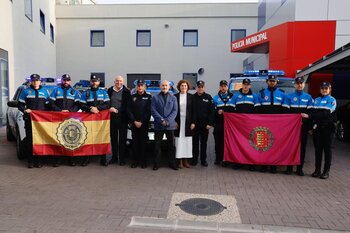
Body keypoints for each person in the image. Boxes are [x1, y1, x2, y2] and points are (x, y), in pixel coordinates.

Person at [302, 82, 336, 179]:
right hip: (317, 129)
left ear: (330, 89)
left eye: (326, 88)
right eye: (322, 88)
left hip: (328, 129)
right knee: (318, 150)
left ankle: (326, 172)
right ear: (320, 89)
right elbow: (313, 113)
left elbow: (325, 114)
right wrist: (311, 126)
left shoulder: (332, 100)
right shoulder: (315, 100)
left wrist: (310, 116)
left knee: (327, 151)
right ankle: (317, 170)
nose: (324, 90)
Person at [256, 74, 287, 173]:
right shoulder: (261, 94)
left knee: (275, 145)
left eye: (274, 81)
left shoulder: (283, 94)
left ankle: (274, 165)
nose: (272, 82)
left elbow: (285, 110)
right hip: (264, 125)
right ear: (267, 82)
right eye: (270, 81)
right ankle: (264, 165)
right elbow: (257, 109)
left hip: (277, 125)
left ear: (276, 82)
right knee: (264, 144)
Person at [18, 74, 50, 168]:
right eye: (33, 80)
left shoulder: (45, 92)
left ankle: (39, 161)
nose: (35, 82)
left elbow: (48, 106)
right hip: (29, 120)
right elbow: (20, 105)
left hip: (41, 122)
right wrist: (24, 110)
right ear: (31, 81)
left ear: (40, 81)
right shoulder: (25, 91)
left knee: (40, 140)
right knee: (30, 140)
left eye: (37, 80)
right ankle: (30, 161)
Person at [49, 74, 81, 167]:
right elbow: (51, 103)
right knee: (58, 138)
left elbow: (78, 104)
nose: (66, 82)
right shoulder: (56, 90)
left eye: (67, 80)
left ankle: (71, 159)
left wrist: (70, 111)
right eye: (64, 80)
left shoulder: (74, 91)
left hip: (70, 119)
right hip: (58, 118)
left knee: (70, 139)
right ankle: (58, 159)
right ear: (62, 81)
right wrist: (60, 111)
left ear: (70, 81)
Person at [79, 74, 110, 166]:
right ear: (90, 82)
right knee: (88, 138)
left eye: (96, 81)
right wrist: (89, 109)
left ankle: (103, 159)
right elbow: (81, 104)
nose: (94, 83)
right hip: (89, 120)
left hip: (101, 120)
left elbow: (108, 104)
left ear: (98, 82)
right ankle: (86, 158)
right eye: (92, 81)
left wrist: (98, 108)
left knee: (102, 138)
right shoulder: (85, 93)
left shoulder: (104, 92)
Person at [285, 77, 313, 176]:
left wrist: (309, 127)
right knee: (290, 147)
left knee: (302, 148)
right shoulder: (289, 97)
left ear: (304, 85)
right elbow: (286, 113)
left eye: (301, 83)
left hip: (303, 127)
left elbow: (310, 114)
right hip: (292, 129)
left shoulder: (309, 97)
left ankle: (299, 169)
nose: (300, 85)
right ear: (295, 85)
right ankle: (289, 168)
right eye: (298, 83)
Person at [230, 78, 260, 170]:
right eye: (244, 84)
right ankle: (239, 163)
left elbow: (257, 110)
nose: (246, 86)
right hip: (238, 126)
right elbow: (231, 109)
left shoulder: (255, 96)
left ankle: (251, 163)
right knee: (239, 143)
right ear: (242, 85)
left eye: (247, 84)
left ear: (250, 86)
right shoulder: (235, 96)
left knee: (251, 144)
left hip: (250, 125)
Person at [151, 80, 178, 171]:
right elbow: (153, 110)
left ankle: (172, 163)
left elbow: (175, 111)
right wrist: (161, 120)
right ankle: (157, 164)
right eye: (163, 85)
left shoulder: (173, 98)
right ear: (160, 86)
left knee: (171, 145)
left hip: (170, 125)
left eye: (166, 85)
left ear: (169, 87)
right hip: (159, 125)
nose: (164, 87)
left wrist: (168, 121)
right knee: (157, 146)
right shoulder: (155, 98)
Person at [127, 79, 151, 168]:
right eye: (139, 85)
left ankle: (143, 161)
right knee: (135, 143)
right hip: (134, 124)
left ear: (145, 87)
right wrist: (134, 121)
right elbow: (128, 110)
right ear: (137, 87)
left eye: (142, 85)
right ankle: (135, 161)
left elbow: (148, 111)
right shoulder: (132, 97)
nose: (140, 87)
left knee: (143, 143)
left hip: (143, 124)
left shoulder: (148, 97)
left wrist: (141, 121)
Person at [107, 75, 131, 166]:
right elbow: (106, 101)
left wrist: (118, 110)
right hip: (112, 118)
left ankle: (122, 158)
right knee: (113, 139)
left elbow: (127, 105)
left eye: (120, 81)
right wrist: (110, 108)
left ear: (123, 81)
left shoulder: (126, 91)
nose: (119, 83)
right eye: (117, 81)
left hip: (123, 118)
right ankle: (114, 157)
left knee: (122, 139)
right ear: (114, 81)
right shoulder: (109, 90)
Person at [191, 80, 214, 167]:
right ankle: (194, 160)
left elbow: (212, 112)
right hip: (195, 125)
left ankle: (203, 160)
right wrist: (192, 122)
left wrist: (210, 123)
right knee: (195, 143)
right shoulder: (192, 97)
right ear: (196, 88)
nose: (200, 88)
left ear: (204, 87)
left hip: (205, 125)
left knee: (204, 143)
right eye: (199, 87)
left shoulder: (208, 97)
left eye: (202, 87)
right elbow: (191, 112)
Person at [174, 80, 195, 169]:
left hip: (188, 123)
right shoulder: (175, 97)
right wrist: (174, 121)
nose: (183, 87)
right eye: (182, 86)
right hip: (178, 122)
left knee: (187, 142)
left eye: (185, 86)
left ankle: (186, 161)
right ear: (179, 87)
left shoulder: (191, 97)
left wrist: (193, 122)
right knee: (179, 142)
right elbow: (173, 110)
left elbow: (194, 111)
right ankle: (179, 162)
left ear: (187, 87)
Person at [212, 80, 234, 166]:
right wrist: (217, 111)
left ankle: (227, 159)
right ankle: (218, 159)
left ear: (227, 87)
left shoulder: (233, 97)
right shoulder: (215, 98)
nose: (223, 88)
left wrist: (225, 111)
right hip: (219, 124)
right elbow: (212, 111)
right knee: (218, 142)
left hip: (230, 125)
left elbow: (234, 110)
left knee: (228, 142)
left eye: (225, 86)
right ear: (219, 87)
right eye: (222, 86)